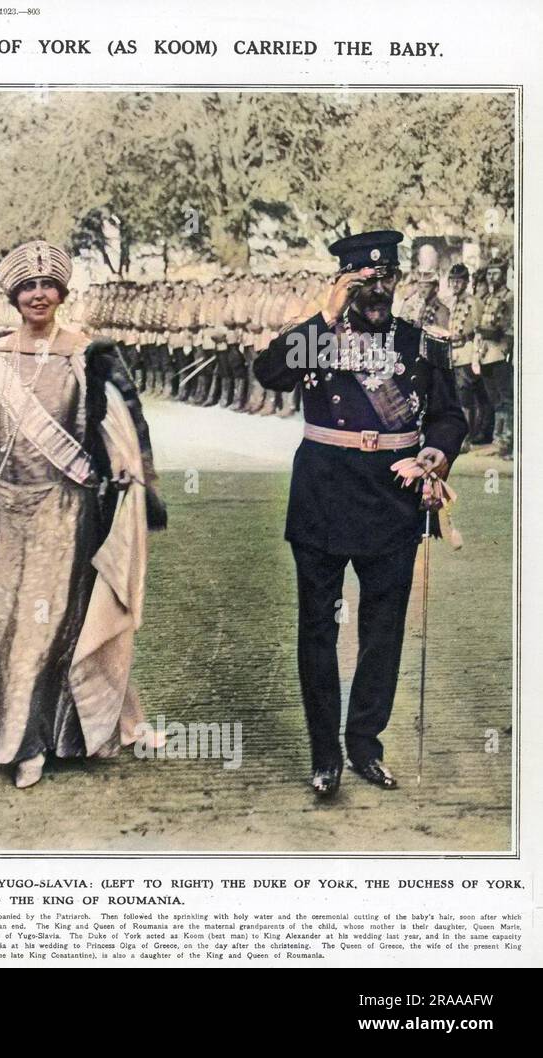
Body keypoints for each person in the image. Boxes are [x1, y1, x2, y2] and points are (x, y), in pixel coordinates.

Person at [0, 241, 167, 790]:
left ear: (63, 293)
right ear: (13, 295)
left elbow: (125, 432)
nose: (39, 295)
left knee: (47, 627)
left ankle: (31, 743)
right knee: (1, 626)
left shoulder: (92, 354)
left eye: (48, 286)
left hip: (66, 512)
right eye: (28, 287)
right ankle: (11, 728)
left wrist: (126, 472)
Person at [254, 230, 468, 799]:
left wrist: (435, 455)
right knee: (318, 630)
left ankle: (365, 745)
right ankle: (325, 755)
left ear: (397, 280)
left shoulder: (420, 345)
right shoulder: (319, 339)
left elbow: (450, 416)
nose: (376, 290)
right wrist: (324, 313)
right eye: (362, 282)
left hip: (393, 499)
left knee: (382, 631)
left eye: (385, 279)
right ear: (344, 284)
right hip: (324, 494)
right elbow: (268, 373)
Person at [443, 263, 488, 451]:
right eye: (452, 281)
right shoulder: (447, 301)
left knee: (465, 394)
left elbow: (480, 330)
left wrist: (478, 354)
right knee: (451, 394)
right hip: (449, 351)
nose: (455, 285)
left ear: (466, 282)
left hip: (467, 350)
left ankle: (466, 437)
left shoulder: (474, 302)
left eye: (459, 281)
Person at [475, 257, 513, 457]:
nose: (491, 277)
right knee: (495, 399)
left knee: (506, 399)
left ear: (504, 274)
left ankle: (506, 441)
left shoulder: (509, 297)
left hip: (500, 353)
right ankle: (498, 440)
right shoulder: (489, 298)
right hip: (486, 353)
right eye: (489, 273)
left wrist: (482, 330)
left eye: (495, 273)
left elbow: (503, 329)